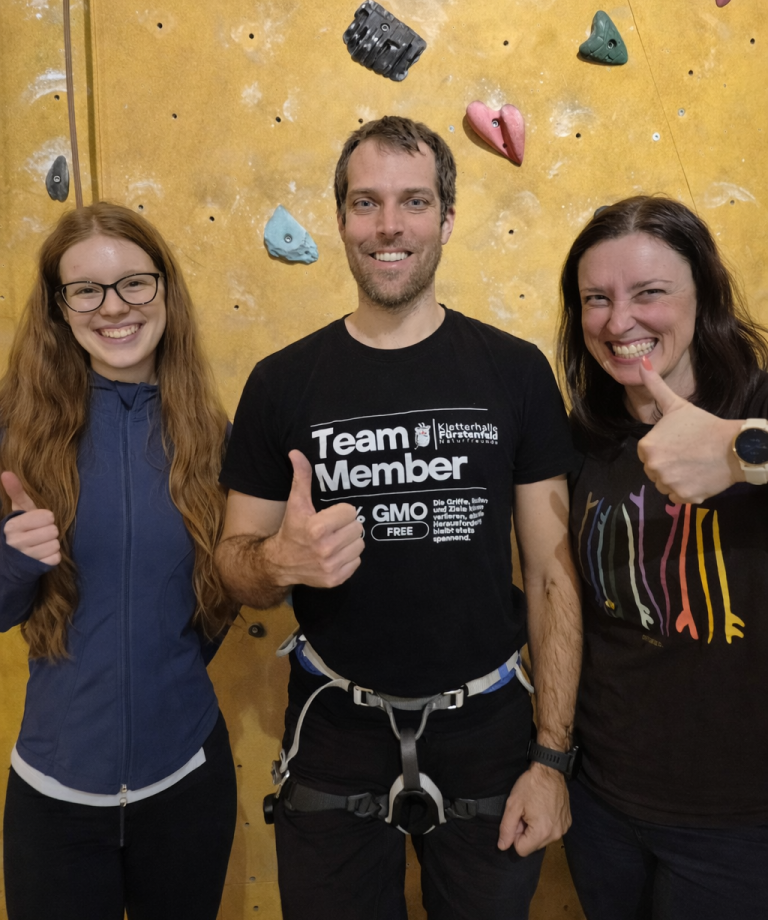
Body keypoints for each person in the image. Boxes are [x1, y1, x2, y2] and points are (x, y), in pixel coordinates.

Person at [216, 115, 582, 920]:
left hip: (488, 729)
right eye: (366, 202)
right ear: (340, 218)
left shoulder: (514, 373)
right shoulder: (281, 383)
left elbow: (554, 575)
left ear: (446, 219)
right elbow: (234, 565)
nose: (389, 225)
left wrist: (552, 758)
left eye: (414, 202)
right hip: (334, 726)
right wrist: (279, 562)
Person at [0, 202, 237, 920]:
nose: (115, 308)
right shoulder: (14, 431)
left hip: (187, 784)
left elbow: (219, 594)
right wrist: (15, 563)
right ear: (58, 307)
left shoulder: (210, 433)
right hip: (54, 797)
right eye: (87, 289)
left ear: (164, 288)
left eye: (135, 282)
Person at [557, 195, 768, 920]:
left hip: (741, 824)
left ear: (703, 295)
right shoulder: (586, 437)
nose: (620, 323)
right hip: (603, 805)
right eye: (596, 299)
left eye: (650, 292)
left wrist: (743, 454)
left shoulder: (759, 409)